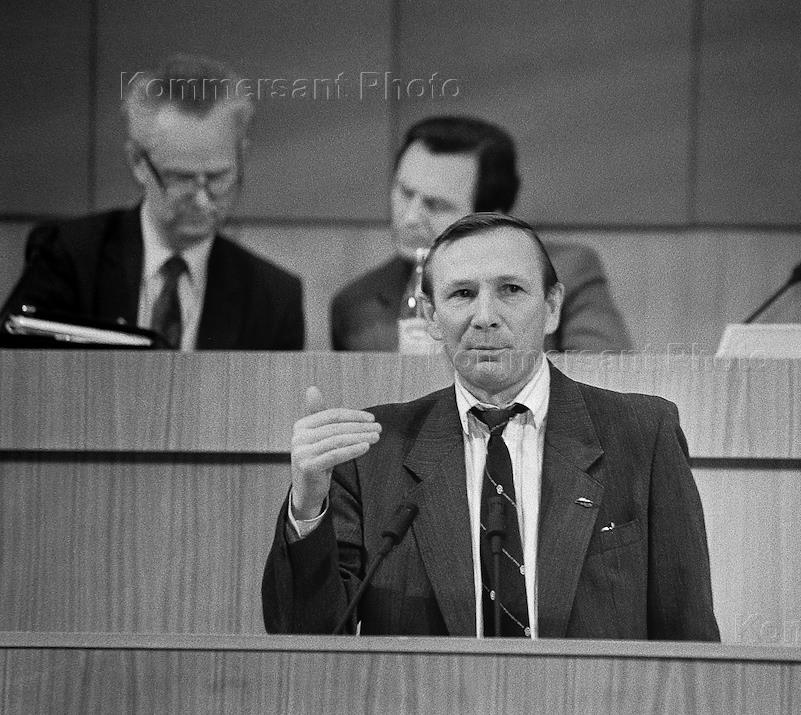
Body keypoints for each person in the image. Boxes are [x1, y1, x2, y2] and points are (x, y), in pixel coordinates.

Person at [264, 213, 719, 641]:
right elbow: (308, 640)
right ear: (431, 316)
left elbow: (689, 644)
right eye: (463, 294)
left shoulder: (641, 435)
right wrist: (308, 504)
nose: (485, 316)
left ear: (552, 307)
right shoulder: (373, 450)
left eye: (510, 290)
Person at [1, 55, 304, 351]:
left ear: (242, 156)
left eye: (218, 177)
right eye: (181, 178)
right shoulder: (70, 255)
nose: (202, 200)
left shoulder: (274, 298)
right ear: (137, 162)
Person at [329, 116, 631, 353]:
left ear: (490, 214)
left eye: (435, 205)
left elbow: (604, 377)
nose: (409, 218)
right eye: (405, 193)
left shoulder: (567, 272)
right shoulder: (357, 304)